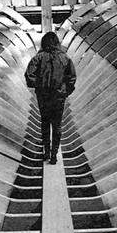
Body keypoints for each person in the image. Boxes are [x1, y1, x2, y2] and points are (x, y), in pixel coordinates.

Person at [25, 31, 77, 164]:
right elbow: (71, 77)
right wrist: (65, 91)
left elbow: (29, 74)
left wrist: (39, 86)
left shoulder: (39, 57)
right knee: (57, 125)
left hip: (43, 96)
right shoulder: (65, 58)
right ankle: (54, 155)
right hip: (59, 97)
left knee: (45, 123)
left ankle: (46, 153)